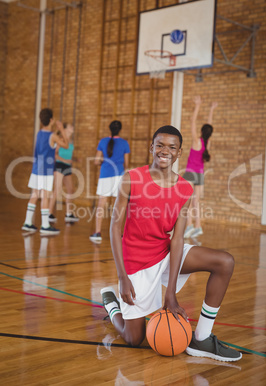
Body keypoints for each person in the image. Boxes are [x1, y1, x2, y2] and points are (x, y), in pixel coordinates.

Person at [100, 125, 242, 362]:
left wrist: (171, 293)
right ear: (151, 147)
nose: (165, 151)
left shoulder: (185, 188)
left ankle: (202, 338)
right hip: (136, 263)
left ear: (179, 153)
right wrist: (123, 277)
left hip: (164, 254)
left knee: (224, 262)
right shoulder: (131, 178)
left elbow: (177, 239)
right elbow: (115, 228)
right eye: (160, 145)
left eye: (172, 147)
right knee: (134, 338)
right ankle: (111, 305)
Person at [22, 108, 68, 235]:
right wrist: (62, 130)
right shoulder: (52, 135)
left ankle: (27, 222)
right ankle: (45, 225)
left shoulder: (39, 133)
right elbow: (66, 145)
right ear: (51, 120)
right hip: (46, 170)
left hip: (36, 167)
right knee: (45, 196)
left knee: (34, 195)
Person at [90, 120, 130, 243]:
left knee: (101, 205)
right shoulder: (124, 143)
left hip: (105, 175)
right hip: (119, 176)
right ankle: (118, 235)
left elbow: (96, 161)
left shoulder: (102, 141)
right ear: (120, 130)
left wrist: (103, 161)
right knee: (118, 206)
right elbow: (126, 164)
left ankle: (97, 233)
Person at [183, 96, 218, 238]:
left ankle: (189, 226)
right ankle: (198, 227)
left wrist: (197, 105)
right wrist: (211, 110)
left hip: (191, 173)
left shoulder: (197, 141)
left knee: (188, 201)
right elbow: (209, 126)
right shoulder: (207, 144)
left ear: (201, 132)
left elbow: (192, 121)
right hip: (200, 174)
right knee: (196, 201)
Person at [48, 123, 79, 223]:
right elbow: (55, 155)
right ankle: (49, 213)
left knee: (71, 189)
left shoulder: (70, 141)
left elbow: (67, 154)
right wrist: (65, 161)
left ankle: (69, 214)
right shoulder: (60, 140)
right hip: (59, 166)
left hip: (67, 167)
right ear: (65, 129)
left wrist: (74, 159)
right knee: (57, 190)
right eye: (70, 126)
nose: (72, 127)